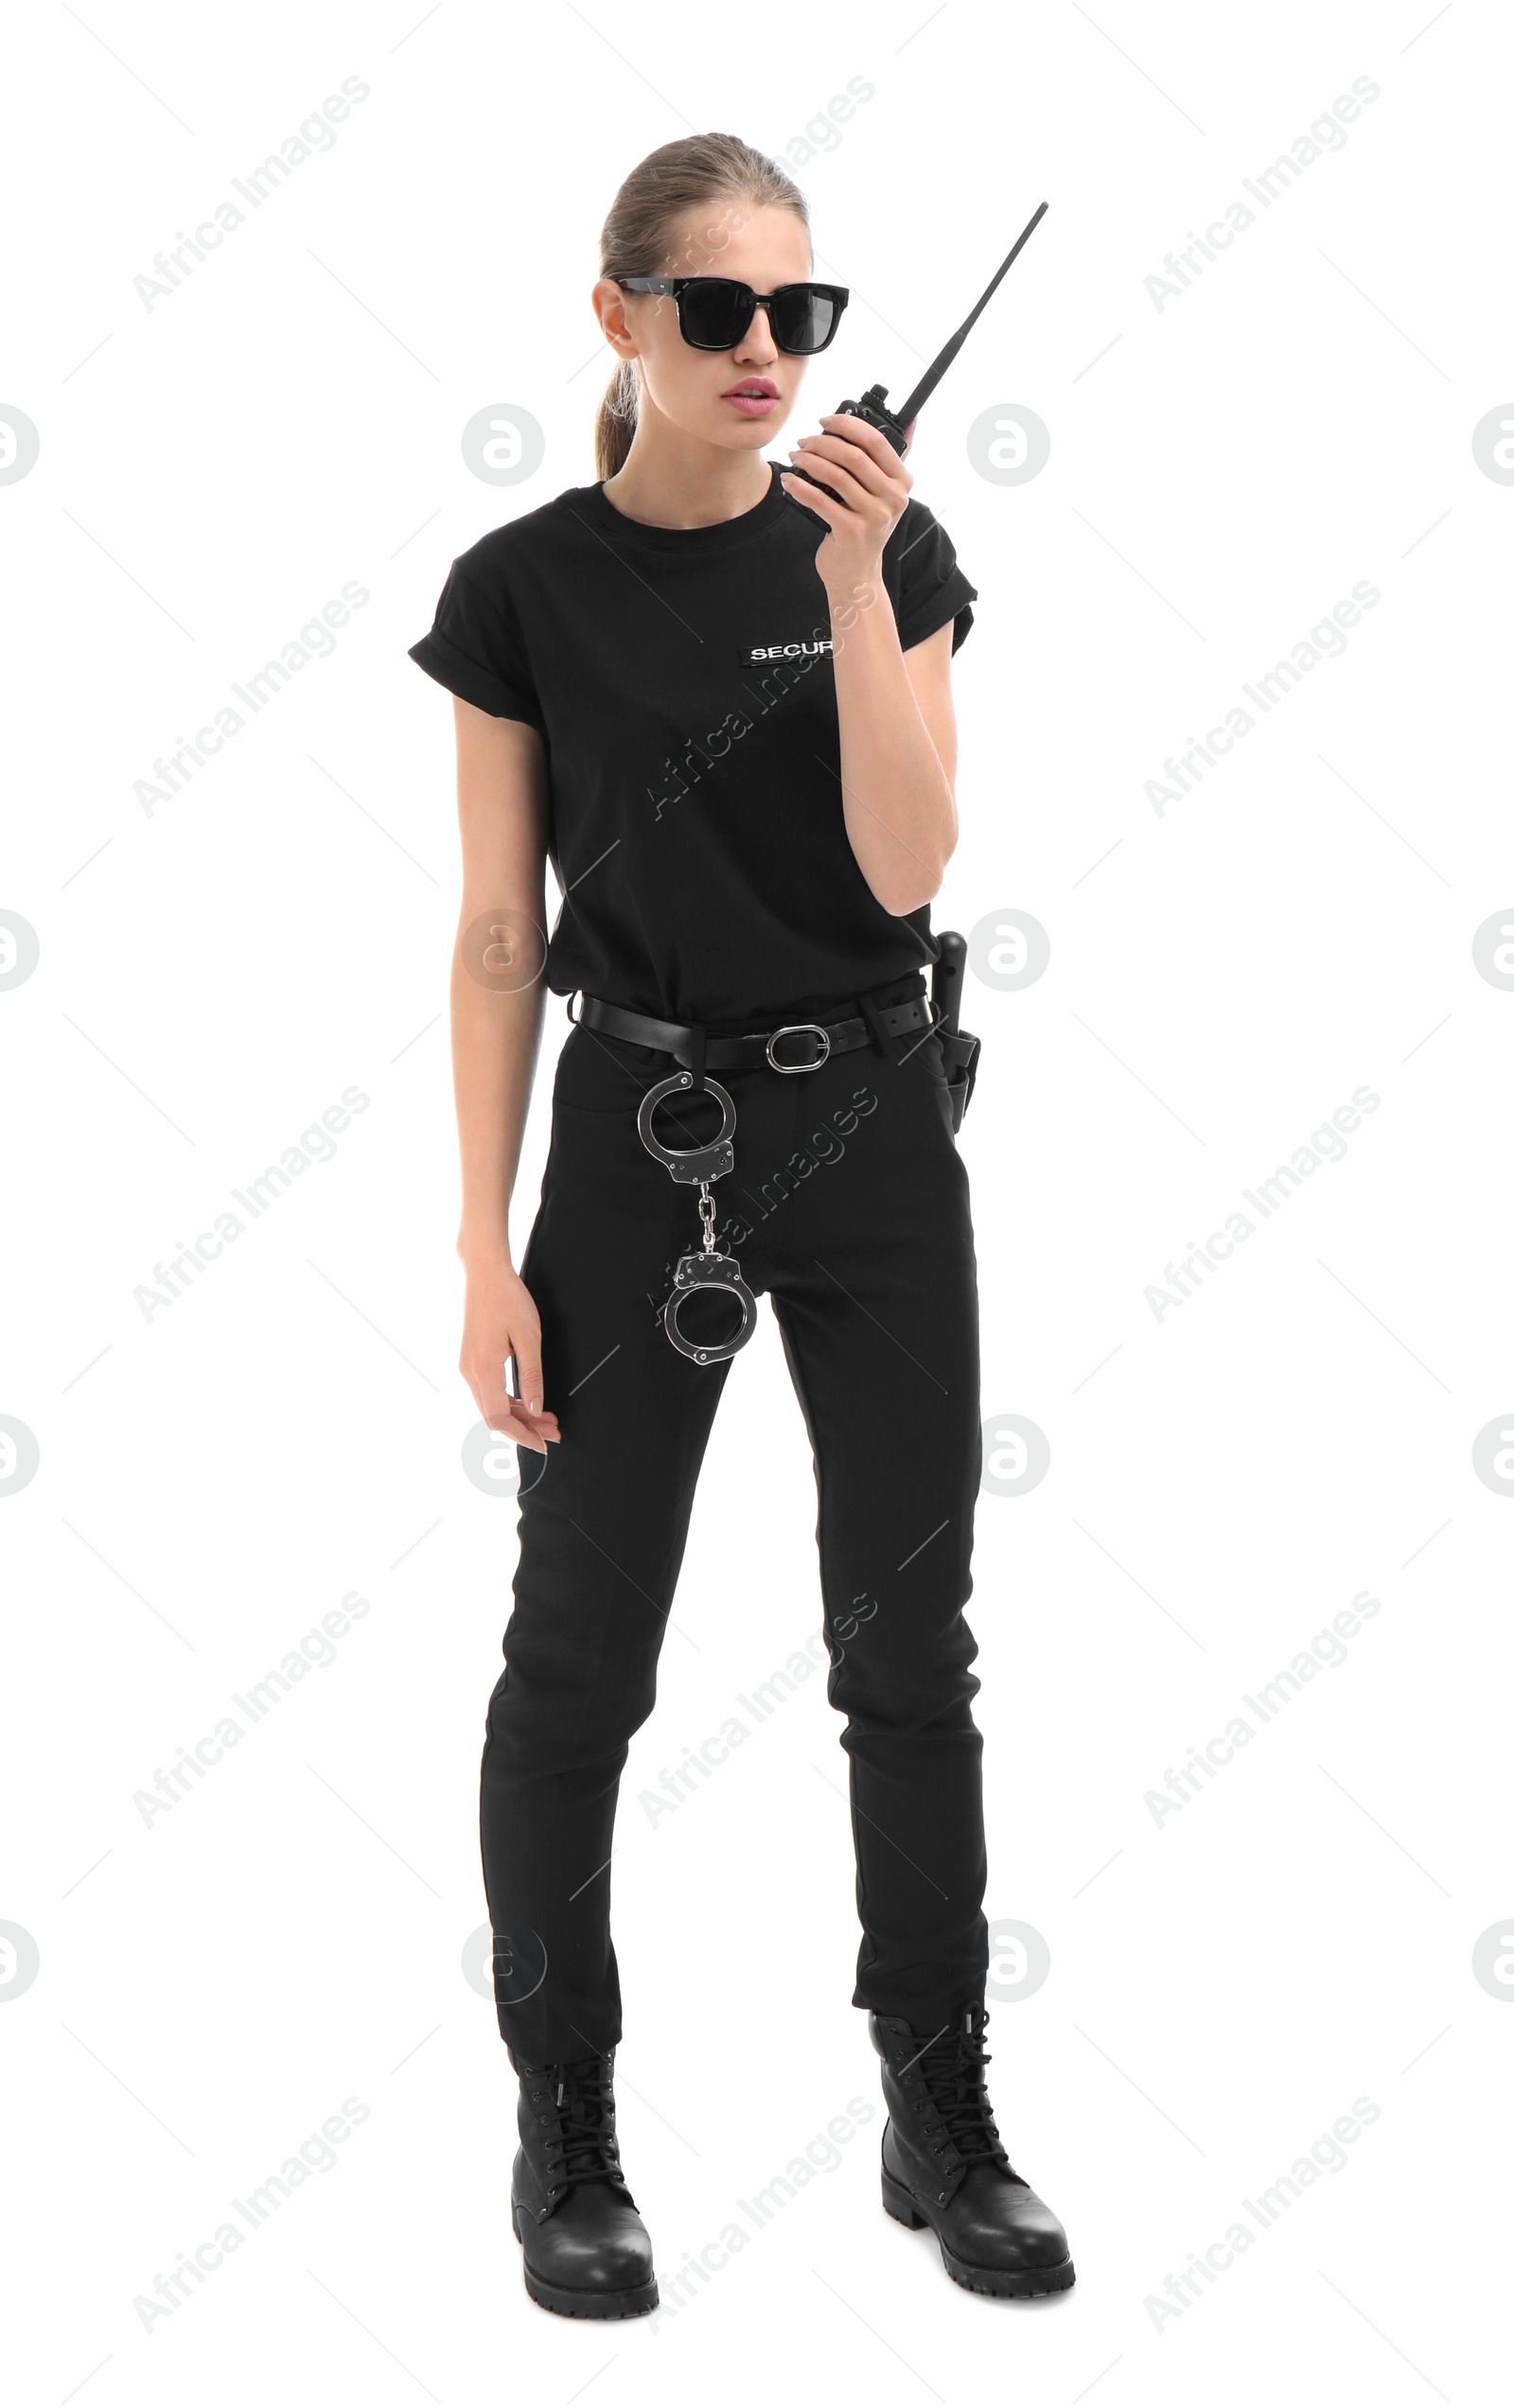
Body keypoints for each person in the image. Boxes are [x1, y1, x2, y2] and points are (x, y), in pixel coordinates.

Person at [408, 131, 1074, 2319]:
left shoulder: (886, 546)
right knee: (575, 1662)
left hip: (873, 1127)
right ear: (618, 322)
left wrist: (864, 595)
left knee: (910, 1647)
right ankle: (566, 2127)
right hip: (636, 1142)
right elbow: (499, 932)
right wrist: (482, 1242)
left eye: (805, 313)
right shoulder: (523, 585)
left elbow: (902, 870)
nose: (768, 352)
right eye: (718, 311)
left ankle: (938, 2099)